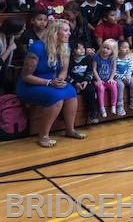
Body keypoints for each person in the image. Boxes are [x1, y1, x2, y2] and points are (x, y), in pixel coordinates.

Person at [16, 19, 86, 147]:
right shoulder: (37, 48)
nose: (69, 33)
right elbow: (26, 76)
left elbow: (64, 71)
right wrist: (49, 82)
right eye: (65, 30)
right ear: (55, 32)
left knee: (70, 91)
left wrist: (60, 79)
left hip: (53, 82)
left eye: (69, 30)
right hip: (32, 84)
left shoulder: (65, 47)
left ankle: (70, 130)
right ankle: (43, 135)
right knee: (56, 97)